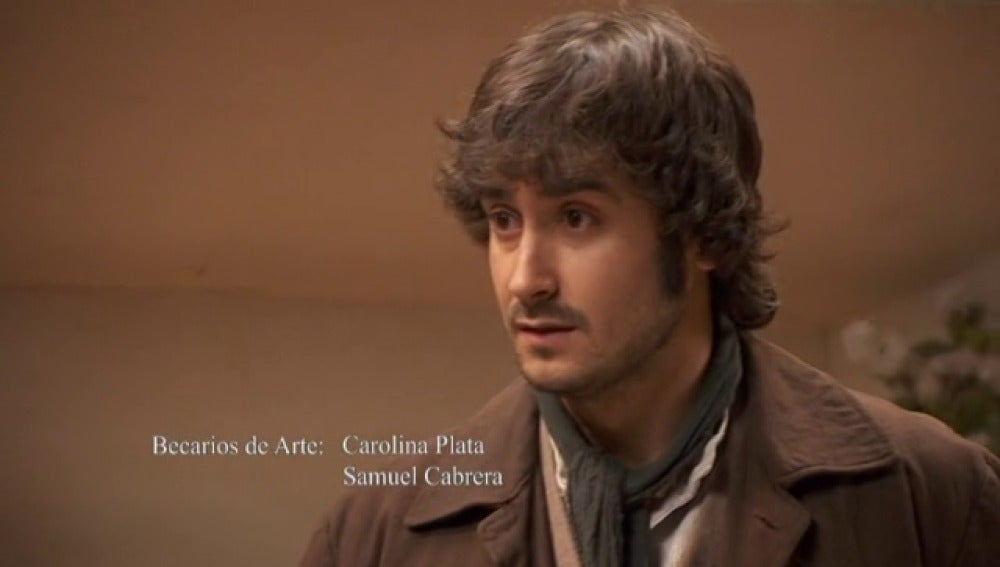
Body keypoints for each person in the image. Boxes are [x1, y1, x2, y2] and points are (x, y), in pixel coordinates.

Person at [300, 7, 999, 566]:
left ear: (702, 234)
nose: (525, 278)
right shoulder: (373, 536)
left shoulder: (931, 498)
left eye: (576, 217)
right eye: (504, 219)